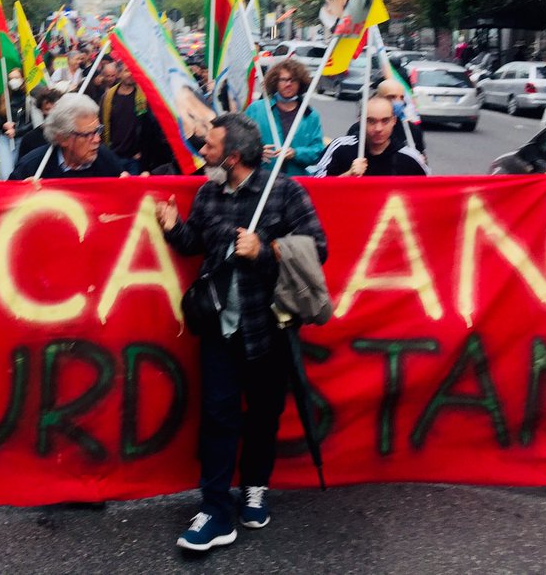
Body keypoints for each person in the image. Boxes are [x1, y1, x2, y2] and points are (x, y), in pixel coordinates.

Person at [155, 113, 328, 551]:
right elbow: (197, 242)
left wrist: (266, 251)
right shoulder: (207, 194)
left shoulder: (285, 192)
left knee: (265, 413)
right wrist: (175, 226)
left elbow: (317, 248)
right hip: (220, 329)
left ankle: (255, 487)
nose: (203, 152)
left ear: (231, 157)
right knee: (217, 415)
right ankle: (215, 509)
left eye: (209, 147)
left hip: (268, 328)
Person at [10, 93, 130, 179]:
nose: (97, 140)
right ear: (63, 138)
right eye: (88, 134)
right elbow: (4, 207)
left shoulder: (106, 159)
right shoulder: (32, 167)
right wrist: (22, 195)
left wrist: (131, 187)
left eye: (98, 130)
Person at [314, 96, 429, 177]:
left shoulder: (410, 158)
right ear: (361, 121)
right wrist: (348, 175)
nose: (378, 128)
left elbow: (430, 193)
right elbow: (315, 188)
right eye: (371, 121)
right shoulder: (340, 148)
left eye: (385, 121)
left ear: (394, 121)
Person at [245, 60, 325, 177]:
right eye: (283, 80)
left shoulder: (311, 115)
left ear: (300, 83)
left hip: (295, 183)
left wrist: (295, 153)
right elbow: (240, 143)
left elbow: (318, 151)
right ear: (275, 82)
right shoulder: (257, 109)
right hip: (261, 180)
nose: (288, 84)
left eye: (293, 80)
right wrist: (257, 151)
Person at [354, 78, 425, 157]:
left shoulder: (412, 130)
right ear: (378, 97)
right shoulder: (359, 128)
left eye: (401, 98)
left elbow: (421, 159)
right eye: (392, 97)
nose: (398, 102)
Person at [101, 61, 148, 167]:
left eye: (133, 71)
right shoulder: (108, 97)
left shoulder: (143, 98)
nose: (130, 74)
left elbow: (147, 128)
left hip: (134, 158)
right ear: (119, 73)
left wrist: (143, 152)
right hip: (113, 156)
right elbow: (101, 125)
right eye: (127, 71)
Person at [17, 87, 59, 160]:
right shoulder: (29, 139)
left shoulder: (68, 135)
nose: (52, 112)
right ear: (41, 110)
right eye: (47, 109)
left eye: (55, 108)